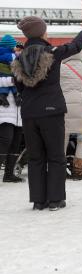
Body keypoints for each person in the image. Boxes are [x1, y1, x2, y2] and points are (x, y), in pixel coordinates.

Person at [11, 16, 82, 210]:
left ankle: (39, 201)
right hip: (52, 112)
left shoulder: (19, 59)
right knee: (56, 156)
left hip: (30, 114)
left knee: (35, 157)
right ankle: (56, 199)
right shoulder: (52, 52)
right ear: (41, 32)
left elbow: (19, 86)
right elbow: (75, 46)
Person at [61, 51, 82, 180]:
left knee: (63, 136)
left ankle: (60, 170)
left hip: (63, 105)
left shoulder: (60, 68)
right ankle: (78, 169)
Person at [0, 34, 24, 183]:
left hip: (18, 109)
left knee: (16, 142)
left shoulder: (18, 61)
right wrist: (12, 80)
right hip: (4, 107)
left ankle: (9, 174)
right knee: (5, 141)